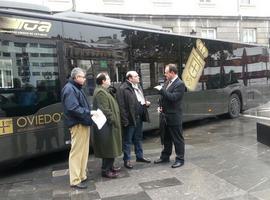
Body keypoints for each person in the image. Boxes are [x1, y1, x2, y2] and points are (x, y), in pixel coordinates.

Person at [61, 67, 92, 189]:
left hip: (82, 122)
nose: (84, 79)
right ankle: (75, 179)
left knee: (84, 151)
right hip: (78, 123)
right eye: (83, 77)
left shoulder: (75, 88)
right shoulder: (70, 89)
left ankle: (81, 175)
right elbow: (72, 108)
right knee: (77, 152)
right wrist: (88, 112)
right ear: (76, 77)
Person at [116, 71, 151, 169]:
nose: (138, 77)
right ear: (130, 78)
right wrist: (125, 120)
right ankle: (126, 160)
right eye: (136, 76)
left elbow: (138, 100)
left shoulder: (138, 86)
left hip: (138, 117)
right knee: (127, 140)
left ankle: (139, 156)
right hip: (130, 119)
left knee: (138, 138)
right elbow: (121, 107)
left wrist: (145, 103)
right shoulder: (123, 89)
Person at [154, 64, 185, 168]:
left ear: (172, 72)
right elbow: (163, 98)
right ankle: (165, 156)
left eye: (166, 72)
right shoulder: (168, 82)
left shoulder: (180, 84)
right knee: (166, 138)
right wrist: (160, 105)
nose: (165, 74)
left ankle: (180, 159)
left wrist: (161, 90)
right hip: (165, 116)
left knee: (177, 139)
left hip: (174, 116)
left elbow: (173, 97)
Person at [92, 72, 122, 178]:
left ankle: (110, 167)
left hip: (109, 125)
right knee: (108, 147)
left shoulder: (104, 91)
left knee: (111, 147)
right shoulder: (100, 92)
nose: (110, 80)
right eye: (108, 79)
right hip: (107, 125)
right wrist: (114, 120)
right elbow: (105, 109)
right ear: (103, 81)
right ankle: (105, 170)